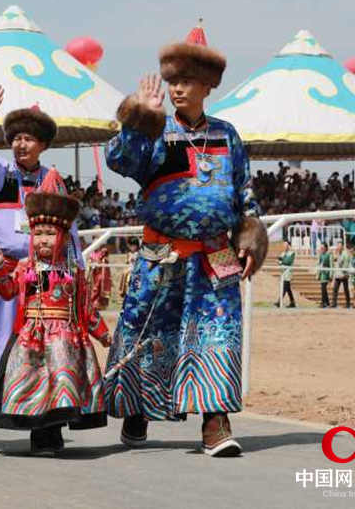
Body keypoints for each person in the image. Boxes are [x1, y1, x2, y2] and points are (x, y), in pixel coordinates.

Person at [103, 28, 267, 457]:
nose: (177, 88)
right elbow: (120, 159)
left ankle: (215, 423)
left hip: (216, 255)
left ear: (208, 87)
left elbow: (243, 192)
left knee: (218, 335)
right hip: (162, 255)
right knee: (148, 333)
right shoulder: (156, 129)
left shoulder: (228, 135)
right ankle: (138, 408)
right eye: (172, 81)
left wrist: (250, 237)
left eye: (187, 82)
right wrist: (141, 116)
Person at [0, 85, 81, 403]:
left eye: (29, 139)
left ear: (43, 145)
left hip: (43, 278)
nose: (21, 145)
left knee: (40, 338)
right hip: (2, 271)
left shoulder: (54, 181)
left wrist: (77, 267)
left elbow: (69, 229)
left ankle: (33, 390)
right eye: (17, 138)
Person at [0, 169, 110, 454]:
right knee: (35, 384)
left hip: (66, 341)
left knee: (61, 384)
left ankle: (53, 435)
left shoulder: (74, 272)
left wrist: (102, 334)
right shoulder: (26, 268)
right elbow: (7, 292)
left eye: (49, 234)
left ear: (64, 237)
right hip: (32, 339)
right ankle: (41, 437)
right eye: (37, 233)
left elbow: (86, 308)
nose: (42, 240)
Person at [331, 242, 351, 308]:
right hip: (338, 274)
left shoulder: (345, 254)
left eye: (340, 246)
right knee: (335, 289)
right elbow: (334, 261)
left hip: (344, 274)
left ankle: (348, 303)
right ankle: (334, 303)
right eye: (338, 246)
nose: (338, 248)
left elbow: (343, 263)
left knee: (346, 289)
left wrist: (345, 273)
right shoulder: (337, 254)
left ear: (342, 247)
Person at [277, 240, 296, 308]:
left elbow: (288, 261)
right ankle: (292, 302)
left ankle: (279, 301)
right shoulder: (282, 253)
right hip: (283, 272)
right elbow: (279, 261)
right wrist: (281, 261)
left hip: (288, 272)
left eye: (286, 245)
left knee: (285, 287)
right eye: (284, 245)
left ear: (289, 246)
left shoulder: (291, 253)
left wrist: (282, 261)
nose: (285, 246)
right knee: (288, 288)